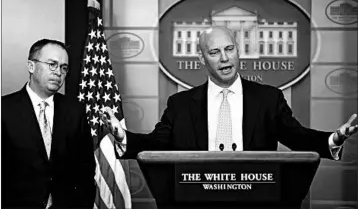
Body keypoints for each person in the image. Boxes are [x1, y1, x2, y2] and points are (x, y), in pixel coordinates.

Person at [100, 26, 357, 159]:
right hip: (195, 197)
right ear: (202, 58)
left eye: (229, 49)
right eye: (214, 52)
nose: (225, 58)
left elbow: (297, 137)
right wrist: (123, 136)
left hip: (256, 198)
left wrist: (334, 138)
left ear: (238, 50)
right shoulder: (180, 104)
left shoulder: (268, 98)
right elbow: (156, 144)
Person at [2, 39, 96, 208]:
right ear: (31, 66)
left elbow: (86, 170)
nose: (58, 72)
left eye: (63, 67)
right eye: (52, 64)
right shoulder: (4, 110)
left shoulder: (75, 112)